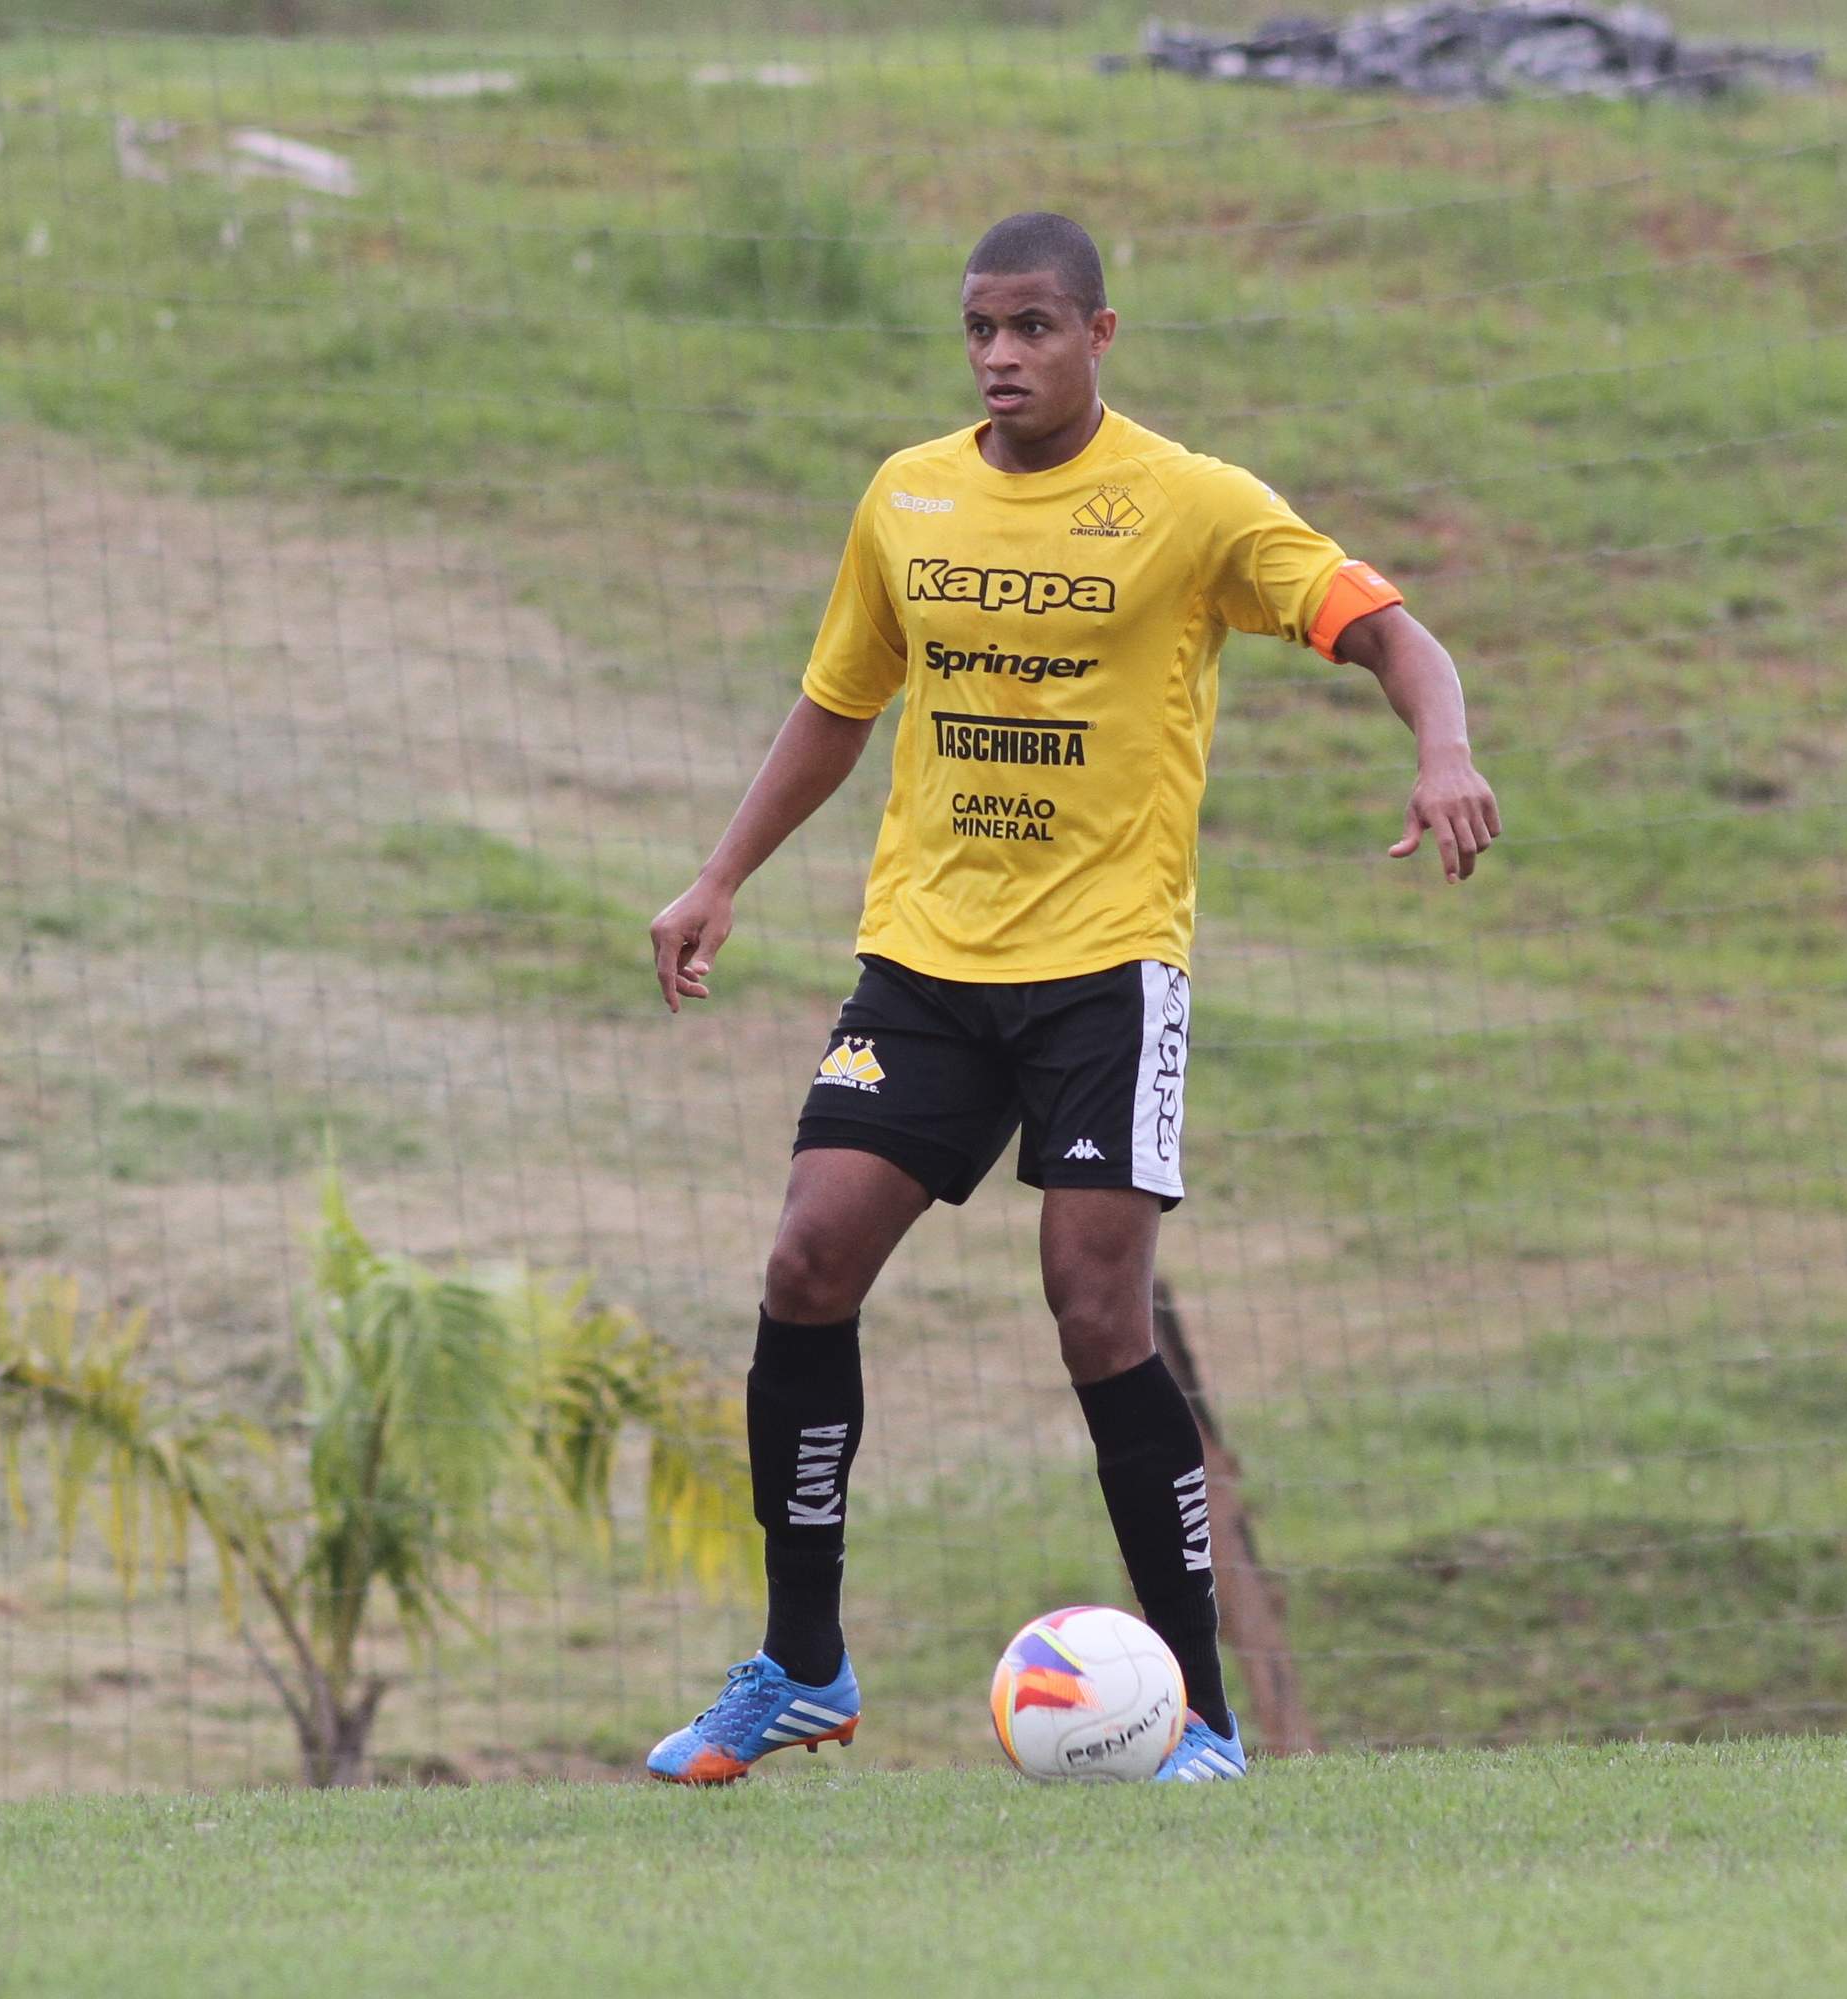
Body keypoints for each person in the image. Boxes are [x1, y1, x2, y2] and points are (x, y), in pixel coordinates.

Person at [641, 211, 1500, 1785]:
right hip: (923, 965)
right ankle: (803, 1663)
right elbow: (838, 705)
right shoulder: (907, 495)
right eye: (980, 328)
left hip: (1108, 972)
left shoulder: (1192, 505)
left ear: (1101, 333)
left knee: (1095, 1312)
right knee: (808, 1256)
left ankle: (1202, 1724)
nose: (1001, 358)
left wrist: (1440, 745)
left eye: (1033, 328)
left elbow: (1389, 631)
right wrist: (719, 880)